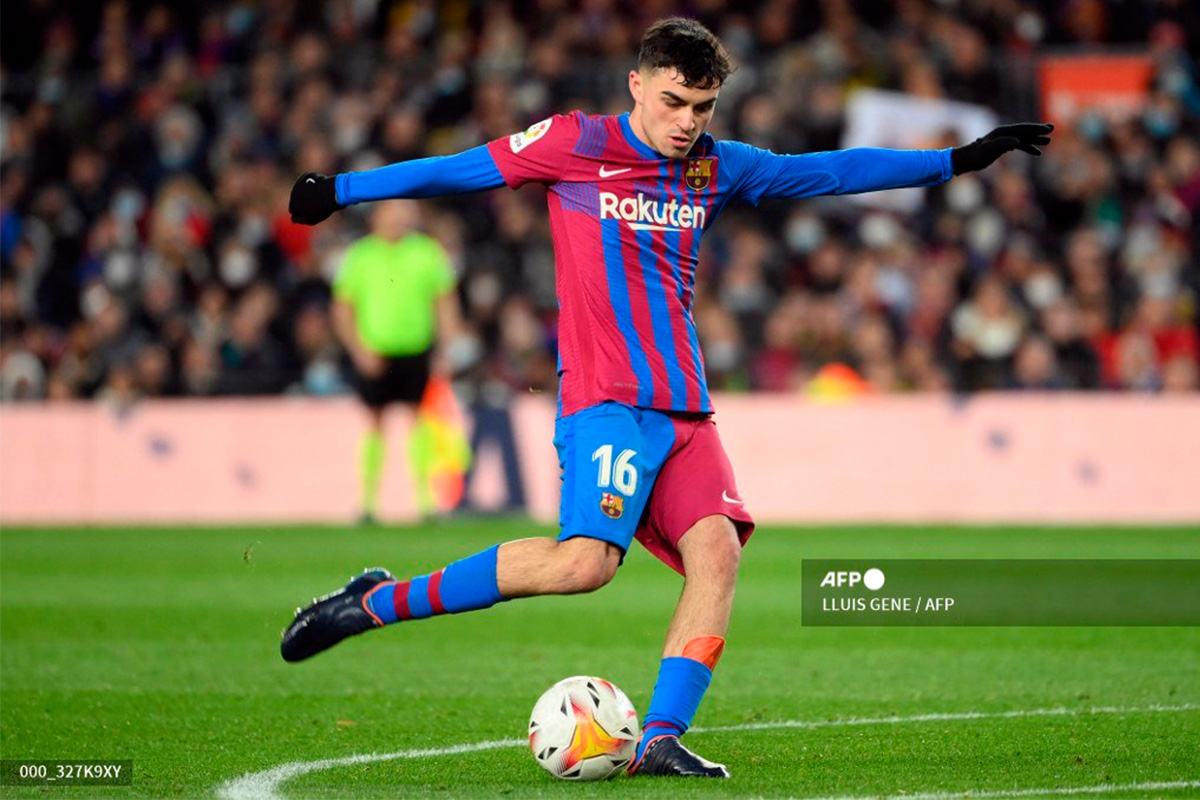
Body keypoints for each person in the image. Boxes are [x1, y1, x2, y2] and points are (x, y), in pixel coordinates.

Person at [282, 17, 1052, 777]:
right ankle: (377, 602)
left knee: (717, 552)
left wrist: (954, 161)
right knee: (583, 565)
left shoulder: (717, 166)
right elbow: (463, 169)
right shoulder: (574, 144)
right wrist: (343, 190)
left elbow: (832, 169)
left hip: (684, 407)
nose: (688, 123)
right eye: (675, 102)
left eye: (703, 107)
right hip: (605, 401)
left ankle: (659, 738)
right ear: (638, 85)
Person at [331, 199, 461, 523]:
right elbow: (342, 308)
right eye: (390, 214)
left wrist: (446, 349)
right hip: (376, 352)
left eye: (402, 215)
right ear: (376, 218)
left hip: (417, 350)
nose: (397, 220)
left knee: (421, 422)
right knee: (375, 422)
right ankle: (368, 503)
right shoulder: (361, 255)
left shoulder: (427, 252)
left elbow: (445, 302)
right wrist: (358, 350)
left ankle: (425, 501)